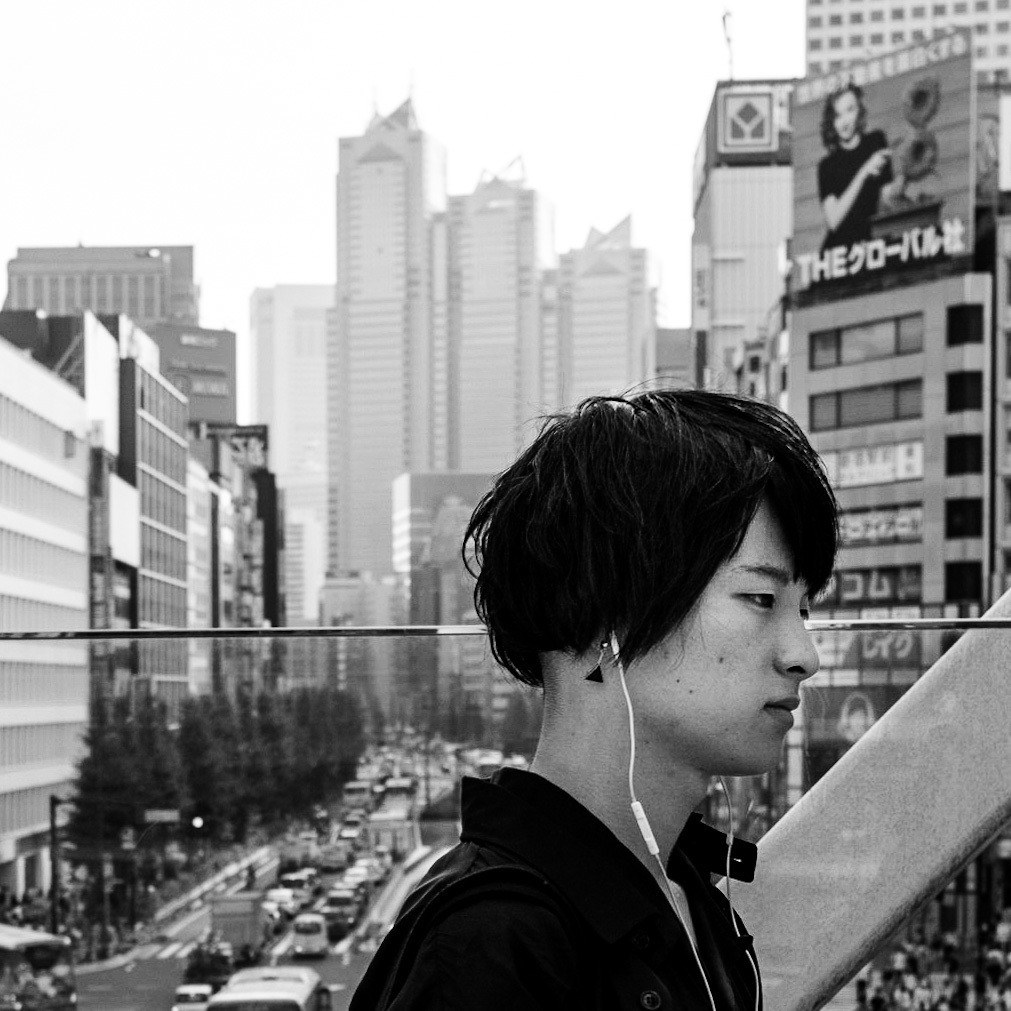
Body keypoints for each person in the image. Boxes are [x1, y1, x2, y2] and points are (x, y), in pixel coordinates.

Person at [351, 389, 839, 1011]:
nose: (804, 654)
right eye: (761, 600)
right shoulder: (491, 949)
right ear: (605, 615)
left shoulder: (685, 890)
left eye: (803, 608)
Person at [817, 82, 901, 253]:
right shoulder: (827, 166)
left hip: (872, 245)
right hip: (837, 256)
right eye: (837, 115)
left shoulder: (876, 141)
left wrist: (907, 172)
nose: (844, 121)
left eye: (850, 110)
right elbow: (834, 220)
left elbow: (887, 197)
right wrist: (863, 172)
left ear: (859, 111)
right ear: (831, 122)